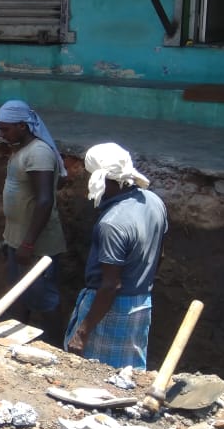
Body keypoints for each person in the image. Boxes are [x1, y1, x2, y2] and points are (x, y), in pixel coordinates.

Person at [64, 143, 168, 370]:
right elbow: (159, 254)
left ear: (99, 178)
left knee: (90, 375)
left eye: (88, 174)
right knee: (128, 375)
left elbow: (111, 284)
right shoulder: (153, 202)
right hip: (140, 305)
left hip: (109, 308)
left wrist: (83, 333)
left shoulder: (112, 224)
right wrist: (141, 282)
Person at [0, 99, 67, 341]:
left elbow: (44, 200)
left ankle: (57, 348)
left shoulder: (38, 153)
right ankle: (14, 340)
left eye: (5, 129)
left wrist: (28, 244)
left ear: (22, 126)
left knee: (45, 298)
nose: (1, 134)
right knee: (19, 293)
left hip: (36, 244)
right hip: (18, 240)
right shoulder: (22, 151)